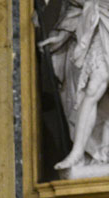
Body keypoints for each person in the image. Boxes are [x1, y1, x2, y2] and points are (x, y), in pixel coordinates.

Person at [39, 0, 109, 170]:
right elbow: (77, 7)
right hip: (101, 26)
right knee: (93, 87)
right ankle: (77, 152)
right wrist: (62, 36)